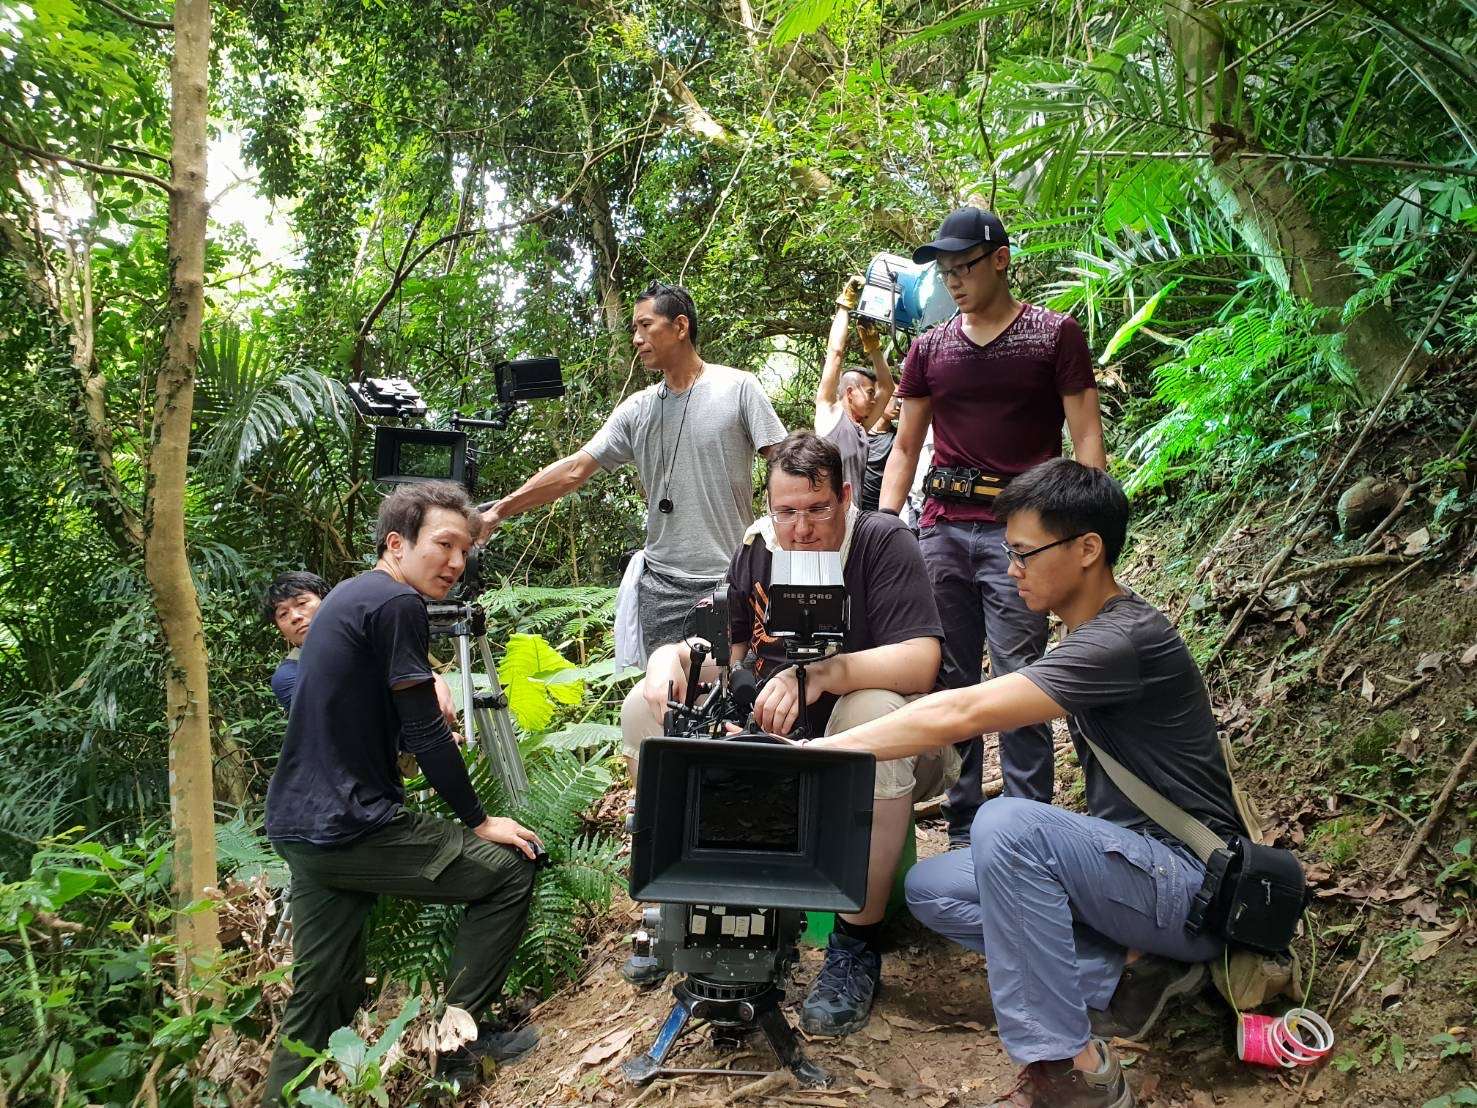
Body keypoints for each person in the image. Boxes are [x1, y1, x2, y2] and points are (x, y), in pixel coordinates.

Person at [814, 459, 1241, 1107]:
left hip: (1191, 889)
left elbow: (961, 711)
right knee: (933, 887)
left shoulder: (1123, 639)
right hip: (1136, 880)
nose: (1009, 569)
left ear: (1086, 550)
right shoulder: (1088, 636)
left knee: (1005, 825)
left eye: (1022, 553)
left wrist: (813, 752)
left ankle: (1072, 1070)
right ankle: (1134, 981)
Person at [622, 431, 951, 1037]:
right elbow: (734, 659)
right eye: (787, 512)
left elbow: (922, 660)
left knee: (873, 710)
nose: (801, 529)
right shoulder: (757, 549)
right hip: (776, 738)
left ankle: (856, 942)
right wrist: (672, 656)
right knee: (646, 712)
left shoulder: (881, 541)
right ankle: (680, 907)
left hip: (882, 741)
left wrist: (825, 674)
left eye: (817, 509)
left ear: (845, 497)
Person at [261, 482, 542, 1104]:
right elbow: (423, 730)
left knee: (323, 992)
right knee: (507, 870)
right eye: (443, 545)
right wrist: (476, 819)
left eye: (465, 549)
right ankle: (456, 1049)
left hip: (299, 828)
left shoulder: (352, 595)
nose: (456, 562)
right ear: (398, 543)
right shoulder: (396, 605)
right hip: (352, 825)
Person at [879, 206, 1107, 845]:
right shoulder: (929, 349)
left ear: (1000, 260)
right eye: (945, 270)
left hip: (1024, 539)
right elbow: (904, 446)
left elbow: (1086, 433)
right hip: (943, 529)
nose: (953, 280)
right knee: (949, 673)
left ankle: (1025, 827)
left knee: (1018, 678)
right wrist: (884, 525)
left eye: (964, 266)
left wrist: (1095, 528)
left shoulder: (1053, 337)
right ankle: (962, 825)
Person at [480, 282, 787, 662]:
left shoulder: (738, 388)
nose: (637, 339)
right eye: (633, 329)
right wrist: (499, 510)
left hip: (729, 579)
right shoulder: (637, 410)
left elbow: (785, 464)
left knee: (730, 696)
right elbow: (575, 469)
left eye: (645, 326)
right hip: (661, 586)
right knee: (667, 701)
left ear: (680, 326)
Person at [816, 275, 894, 500]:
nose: (874, 399)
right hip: (829, 516)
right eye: (869, 393)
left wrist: (874, 348)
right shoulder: (829, 415)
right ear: (850, 393)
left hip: (855, 518)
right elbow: (835, 354)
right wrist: (845, 306)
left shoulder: (862, 428)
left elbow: (887, 387)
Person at [262, 571, 330, 710]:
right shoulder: (289, 676)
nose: (295, 617)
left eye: (301, 603)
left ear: (328, 601)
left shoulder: (365, 634)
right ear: (282, 633)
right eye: (283, 614)